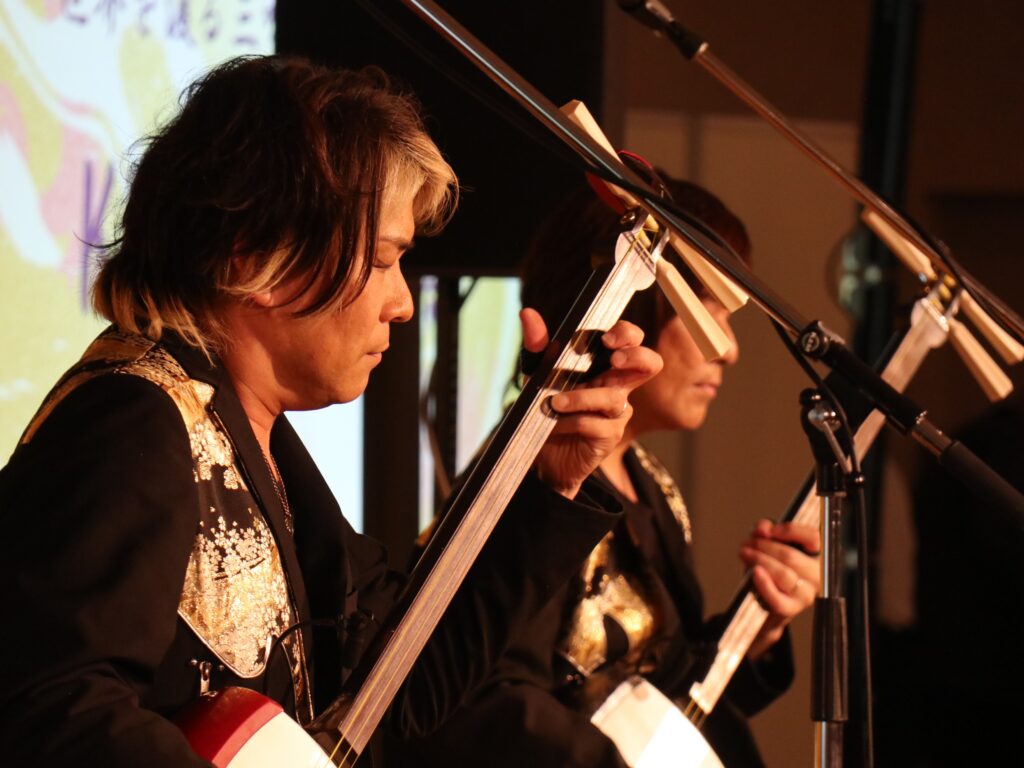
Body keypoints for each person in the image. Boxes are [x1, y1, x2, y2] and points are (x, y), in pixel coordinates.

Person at [0, 56, 663, 766]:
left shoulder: (259, 448)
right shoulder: (132, 423)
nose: (401, 302)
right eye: (381, 261)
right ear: (256, 255)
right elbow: (53, 708)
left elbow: (400, 688)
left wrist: (547, 478)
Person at [394, 173, 821, 767]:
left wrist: (759, 626)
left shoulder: (650, 483)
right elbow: (482, 705)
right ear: (632, 305)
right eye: (708, 314)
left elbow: (665, 692)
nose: (728, 348)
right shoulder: (532, 480)